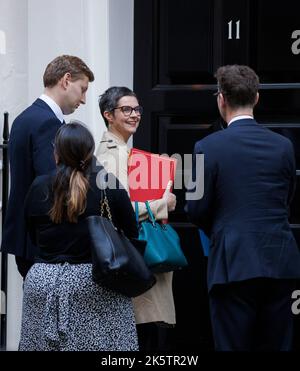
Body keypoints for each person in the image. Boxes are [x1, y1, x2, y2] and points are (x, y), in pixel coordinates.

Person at [186, 64, 300, 351]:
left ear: (221, 99)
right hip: (280, 259)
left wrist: (224, 229)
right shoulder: (283, 146)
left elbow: (195, 208)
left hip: (232, 263)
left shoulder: (205, 147)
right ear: (257, 98)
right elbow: (288, 197)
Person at [19, 122, 139, 351]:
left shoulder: (38, 186)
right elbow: (132, 236)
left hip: (43, 283)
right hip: (96, 283)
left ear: (56, 153)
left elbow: (29, 236)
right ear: (89, 152)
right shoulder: (109, 186)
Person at [96, 86, 177, 351]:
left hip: (135, 255)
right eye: (126, 109)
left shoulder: (123, 150)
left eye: (137, 109)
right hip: (133, 256)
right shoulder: (113, 154)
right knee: (141, 337)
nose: (135, 115)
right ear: (109, 115)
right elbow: (114, 207)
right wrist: (161, 205)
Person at [1, 55, 94, 279]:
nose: (83, 99)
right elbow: (54, 183)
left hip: (26, 237)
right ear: (66, 80)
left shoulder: (25, 117)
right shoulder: (47, 122)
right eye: (82, 89)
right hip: (43, 242)